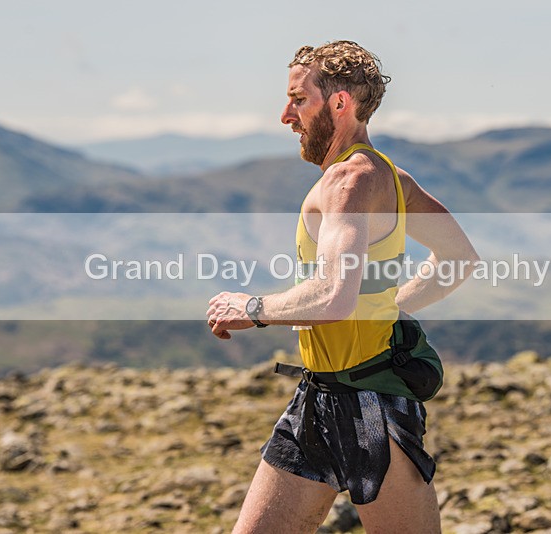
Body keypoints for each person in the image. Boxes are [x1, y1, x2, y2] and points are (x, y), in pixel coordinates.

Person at [206, 40, 478, 534]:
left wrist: (251, 306)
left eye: (298, 99)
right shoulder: (392, 179)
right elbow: (459, 259)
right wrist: (387, 307)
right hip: (319, 396)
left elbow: (333, 294)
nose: (286, 114)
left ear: (339, 103)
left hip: (371, 406)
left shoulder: (351, 179)